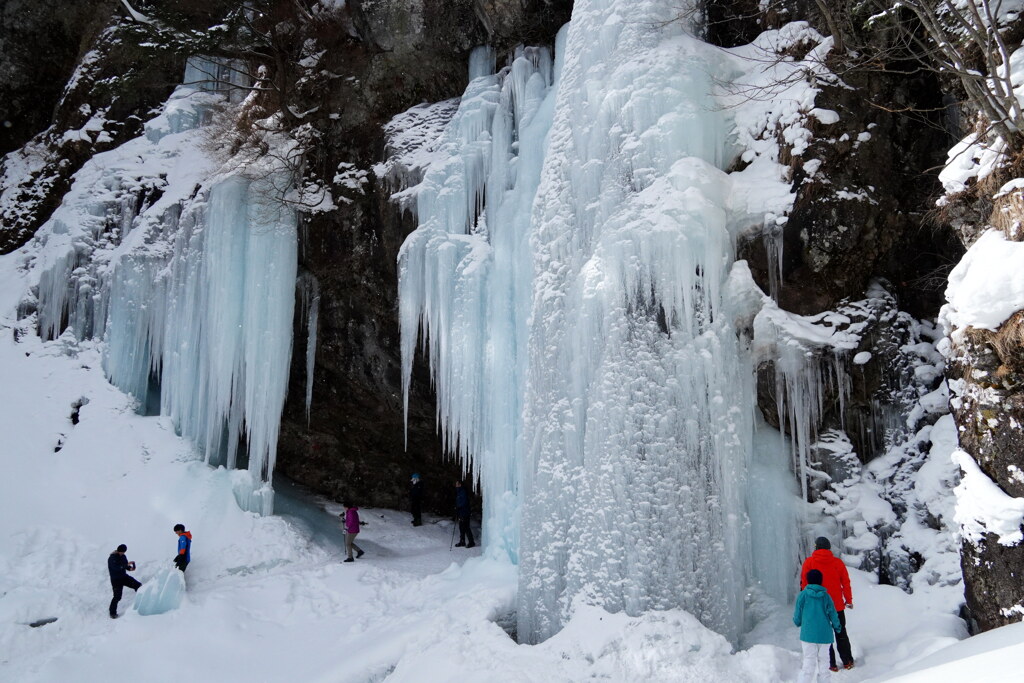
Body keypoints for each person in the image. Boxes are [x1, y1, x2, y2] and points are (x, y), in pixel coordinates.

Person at [800, 536, 854, 671]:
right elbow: (845, 583)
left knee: (825, 635)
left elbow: (805, 585)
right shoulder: (838, 563)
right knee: (841, 633)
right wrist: (848, 600)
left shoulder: (809, 562)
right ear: (829, 548)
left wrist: (806, 603)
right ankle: (847, 661)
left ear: (816, 547)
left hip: (819, 607)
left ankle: (832, 664)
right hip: (836, 606)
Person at [794, 568, 842, 683]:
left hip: (808, 634)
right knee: (824, 664)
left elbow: (797, 613)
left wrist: (798, 622)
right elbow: (833, 614)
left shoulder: (803, 595)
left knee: (808, 663)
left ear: (808, 580)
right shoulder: (826, 596)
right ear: (821, 581)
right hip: (824, 636)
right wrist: (837, 627)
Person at [108, 543, 141, 619]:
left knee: (138, 586)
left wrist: (130, 568)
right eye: (122, 552)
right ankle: (112, 612)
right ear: (118, 550)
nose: (123, 553)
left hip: (124, 577)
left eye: (124, 552)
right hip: (116, 580)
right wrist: (125, 564)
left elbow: (124, 566)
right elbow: (116, 567)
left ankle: (142, 602)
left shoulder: (123, 556)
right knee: (117, 597)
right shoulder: (112, 558)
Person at [454, 480, 475, 548]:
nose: (456, 485)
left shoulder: (463, 491)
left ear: (460, 485)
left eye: (457, 484)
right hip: (461, 512)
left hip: (465, 512)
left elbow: (464, 502)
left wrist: (458, 506)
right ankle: (462, 541)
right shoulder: (459, 492)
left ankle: (471, 542)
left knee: (466, 527)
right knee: (461, 527)